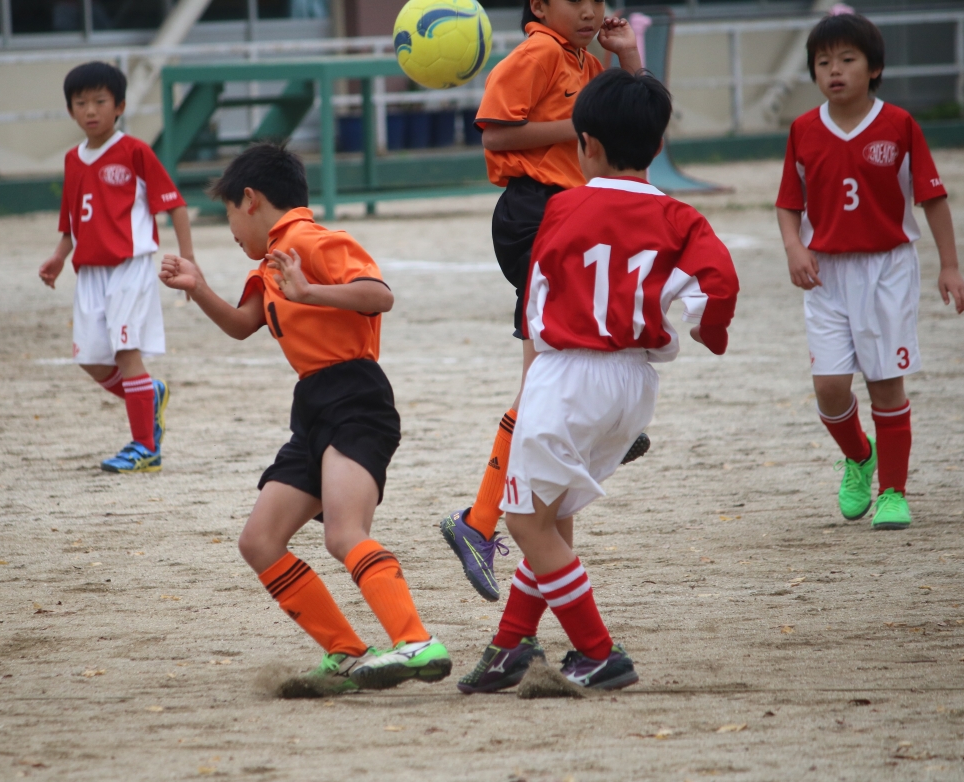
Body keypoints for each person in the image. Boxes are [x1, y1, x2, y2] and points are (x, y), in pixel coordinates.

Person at [458, 69, 740, 693]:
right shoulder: (679, 215)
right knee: (552, 518)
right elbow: (718, 283)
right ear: (658, 145)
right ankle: (510, 646)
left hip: (570, 376)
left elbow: (536, 298)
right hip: (634, 383)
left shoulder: (563, 206)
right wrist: (707, 329)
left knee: (525, 522)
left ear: (585, 144)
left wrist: (540, 370)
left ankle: (599, 651)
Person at [158, 144, 450, 693]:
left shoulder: (311, 242)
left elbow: (379, 296)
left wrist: (310, 290)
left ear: (250, 199)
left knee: (344, 533)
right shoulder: (270, 265)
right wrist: (198, 287)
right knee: (259, 541)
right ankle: (347, 653)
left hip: (357, 400)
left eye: (228, 214)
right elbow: (242, 325)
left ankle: (416, 641)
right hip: (312, 407)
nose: (231, 231)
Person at [441, 0, 649, 603]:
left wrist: (629, 58)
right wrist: (578, 124)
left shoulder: (585, 60)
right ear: (538, 5)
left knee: (554, 371)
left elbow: (635, 126)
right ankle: (482, 519)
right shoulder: (538, 53)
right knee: (544, 376)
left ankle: (489, 530)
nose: (589, 10)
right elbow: (497, 133)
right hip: (536, 214)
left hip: (571, 216)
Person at [775, 13, 964, 530]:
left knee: (885, 384)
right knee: (829, 386)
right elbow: (789, 203)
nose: (834, 70)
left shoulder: (899, 125)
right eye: (823, 62)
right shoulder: (803, 129)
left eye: (847, 59)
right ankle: (860, 456)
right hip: (826, 274)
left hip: (887, 270)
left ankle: (893, 493)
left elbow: (932, 198)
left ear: (874, 67)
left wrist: (950, 266)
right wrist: (794, 247)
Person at [38, 61, 195, 474]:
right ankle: (149, 394)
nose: (90, 110)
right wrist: (59, 255)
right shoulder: (72, 159)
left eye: (100, 101)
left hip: (129, 267)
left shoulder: (135, 151)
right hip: (89, 272)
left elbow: (175, 205)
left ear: (120, 106)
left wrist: (188, 259)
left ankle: (146, 448)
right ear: (70, 110)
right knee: (91, 358)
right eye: (81, 103)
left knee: (127, 353)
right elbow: (73, 219)